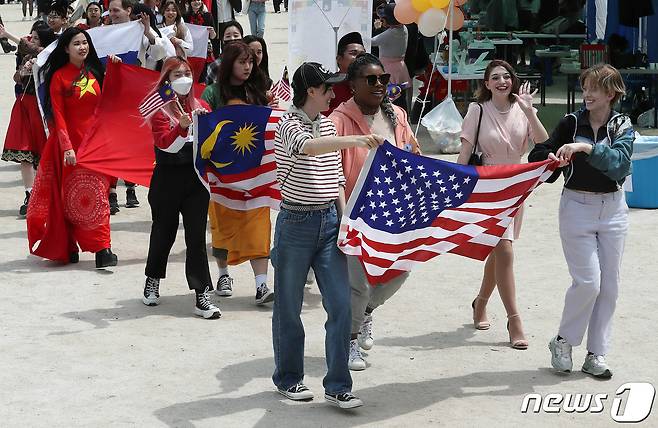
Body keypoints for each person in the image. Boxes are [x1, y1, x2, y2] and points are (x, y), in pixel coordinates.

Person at [272, 61, 384, 409]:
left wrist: (344, 218)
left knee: (339, 303)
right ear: (310, 92)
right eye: (326, 89)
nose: (333, 93)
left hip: (330, 225)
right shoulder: (288, 125)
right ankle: (289, 379)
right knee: (289, 306)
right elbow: (309, 147)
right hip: (295, 225)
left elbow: (336, 178)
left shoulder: (325, 123)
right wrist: (357, 138)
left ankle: (338, 385)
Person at [529, 64, 633, 378]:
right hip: (576, 206)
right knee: (589, 282)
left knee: (610, 287)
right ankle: (563, 341)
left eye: (594, 88)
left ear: (611, 93)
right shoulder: (571, 122)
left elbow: (618, 166)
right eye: (585, 87)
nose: (587, 94)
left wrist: (585, 148)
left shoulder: (623, 124)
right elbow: (539, 155)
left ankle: (596, 354)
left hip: (614, 210)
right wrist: (550, 161)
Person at [329, 53, 420, 370]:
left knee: (400, 271)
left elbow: (413, 155)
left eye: (383, 78)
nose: (380, 84)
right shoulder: (338, 122)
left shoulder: (398, 115)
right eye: (371, 79)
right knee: (357, 284)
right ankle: (349, 342)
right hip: (355, 214)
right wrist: (343, 217)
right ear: (352, 85)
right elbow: (334, 173)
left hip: (393, 214)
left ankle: (365, 312)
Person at [456, 59, 548, 350]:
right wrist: (456, 189)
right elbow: (465, 151)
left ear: (513, 80)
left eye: (506, 76)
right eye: (494, 77)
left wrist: (529, 111)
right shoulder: (477, 110)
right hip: (487, 186)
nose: (501, 81)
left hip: (516, 185)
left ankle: (480, 302)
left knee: (498, 252)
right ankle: (514, 319)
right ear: (486, 84)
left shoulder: (522, 109)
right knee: (504, 250)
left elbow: (544, 142)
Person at [27, 27, 119, 268]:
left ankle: (103, 249)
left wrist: (116, 69)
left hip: (96, 147)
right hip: (70, 148)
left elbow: (113, 100)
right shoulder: (59, 77)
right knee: (70, 198)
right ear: (66, 48)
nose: (82, 47)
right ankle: (68, 246)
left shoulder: (97, 72)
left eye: (85, 42)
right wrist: (67, 147)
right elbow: (57, 116)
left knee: (98, 196)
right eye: (77, 43)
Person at [142, 56, 221, 319]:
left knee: (196, 238)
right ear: (166, 80)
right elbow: (166, 145)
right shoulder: (160, 109)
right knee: (163, 233)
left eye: (187, 73)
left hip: (195, 180)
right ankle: (152, 279)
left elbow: (212, 144)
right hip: (167, 178)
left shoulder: (201, 105)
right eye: (177, 75)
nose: (184, 78)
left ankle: (202, 295)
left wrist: (203, 125)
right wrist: (182, 127)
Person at [201, 42, 274, 305]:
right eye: (242, 61)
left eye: (251, 62)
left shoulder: (258, 92)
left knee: (258, 227)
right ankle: (223, 274)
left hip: (255, 175)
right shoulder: (212, 93)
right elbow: (203, 129)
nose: (247, 67)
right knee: (223, 227)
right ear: (229, 62)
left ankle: (261, 286)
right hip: (223, 176)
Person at [107, 0, 175, 213]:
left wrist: (147, 32)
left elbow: (162, 54)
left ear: (128, 11)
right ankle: (111, 192)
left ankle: (130, 188)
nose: (113, 14)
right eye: (110, 11)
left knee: (132, 142)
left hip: (138, 94)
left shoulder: (142, 33)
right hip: (115, 96)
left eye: (116, 10)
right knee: (113, 143)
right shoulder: (106, 33)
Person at [2, 26, 56, 217]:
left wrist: (8, 35)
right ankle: (29, 193)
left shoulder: (49, 57)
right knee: (24, 150)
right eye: (31, 37)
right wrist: (23, 71)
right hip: (24, 106)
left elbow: (37, 52)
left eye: (35, 38)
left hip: (41, 109)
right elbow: (16, 78)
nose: (30, 40)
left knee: (43, 152)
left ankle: (45, 194)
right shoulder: (27, 58)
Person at [372, 4, 410, 111]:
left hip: (389, 69)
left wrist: (377, 29)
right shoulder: (404, 28)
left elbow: (372, 42)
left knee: (391, 101)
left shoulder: (390, 33)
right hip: (400, 68)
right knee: (401, 99)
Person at [324, 31, 365, 115]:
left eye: (362, 54)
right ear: (339, 59)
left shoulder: (369, 83)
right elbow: (319, 114)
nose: (359, 58)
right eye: (353, 53)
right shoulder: (328, 85)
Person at [204, 19, 242, 85]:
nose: (232, 39)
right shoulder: (215, 66)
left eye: (236, 35)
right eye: (228, 36)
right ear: (223, 41)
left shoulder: (249, 61)